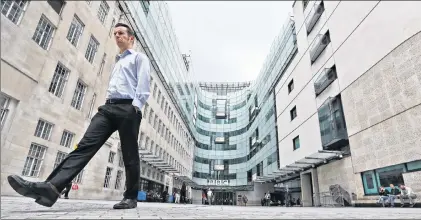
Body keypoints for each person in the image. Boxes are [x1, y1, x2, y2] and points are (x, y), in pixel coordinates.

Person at [7, 23, 151, 209]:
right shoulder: (118, 61)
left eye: (121, 33)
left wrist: (135, 108)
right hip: (108, 108)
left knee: (130, 154)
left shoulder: (139, 58)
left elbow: (144, 85)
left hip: (128, 108)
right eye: (115, 33)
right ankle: (51, 188)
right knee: (84, 146)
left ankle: (130, 197)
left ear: (131, 38)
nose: (117, 36)